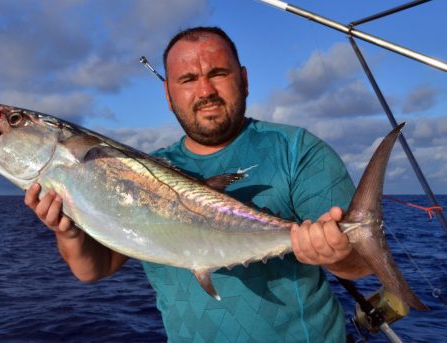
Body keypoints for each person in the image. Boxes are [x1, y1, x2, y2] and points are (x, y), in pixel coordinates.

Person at [25, 27, 372, 342]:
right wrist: (69, 231)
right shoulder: (135, 173)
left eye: (218, 74)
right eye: (188, 79)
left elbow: (360, 265)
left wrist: (336, 254)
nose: (205, 90)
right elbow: (93, 270)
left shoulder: (296, 150)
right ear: (168, 93)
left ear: (244, 80)